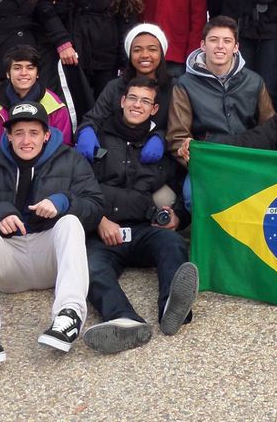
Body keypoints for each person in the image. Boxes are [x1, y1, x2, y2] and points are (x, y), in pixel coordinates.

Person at [0, 101, 104, 370]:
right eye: (19, 133)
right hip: (8, 260)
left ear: (46, 134)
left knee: (70, 223)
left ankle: (69, 314)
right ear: (9, 136)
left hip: (48, 256)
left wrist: (62, 201)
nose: (26, 140)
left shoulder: (71, 160)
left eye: (34, 132)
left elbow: (96, 206)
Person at [83, 77, 198, 354]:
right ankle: (123, 319)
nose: (137, 105)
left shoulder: (161, 147)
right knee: (90, 269)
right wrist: (98, 219)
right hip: (104, 230)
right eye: (133, 98)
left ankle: (173, 306)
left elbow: (185, 184)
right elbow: (77, 186)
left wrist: (178, 217)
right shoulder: (96, 136)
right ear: (122, 101)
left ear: (155, 109)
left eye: (145, 101)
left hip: (145, 228)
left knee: (173, 245)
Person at [168, 17, 276, 204]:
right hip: (207, 162)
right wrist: (192, 156)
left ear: (236, 47)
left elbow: (270, 127)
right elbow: (177, 136)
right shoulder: (185, 84)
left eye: (227, 41)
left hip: (247, 160)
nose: (220, 46)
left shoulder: (254, 81)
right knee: (193, 198)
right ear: (203, 45)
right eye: (213, 40)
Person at [74, 24, 176, 164]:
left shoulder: (174, 88)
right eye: (137, 50)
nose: (145, 55)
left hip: (155, 166)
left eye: (152, 49)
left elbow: (180, 129)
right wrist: (86, 131)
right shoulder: (115, 86)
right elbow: (93, 118)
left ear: (162, 53)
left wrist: (162, 138)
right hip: (114, 161)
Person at [0, 45, 72, 169]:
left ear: (38, 73)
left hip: (44, 174)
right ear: (8, 73)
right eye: (17, 68)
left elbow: (63, 151)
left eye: (30, 68)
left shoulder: (56, 108)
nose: (24, 73)